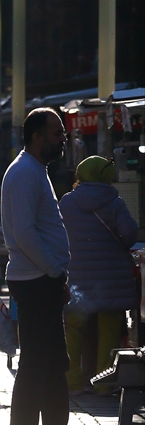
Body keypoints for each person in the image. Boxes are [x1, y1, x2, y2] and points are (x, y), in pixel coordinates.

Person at [1, 108, 81, 425]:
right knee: (36, 362)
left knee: (51, 361)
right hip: (35, 279)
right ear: (37, 137)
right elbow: (24, 233)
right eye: (56, 133)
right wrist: (52, 268)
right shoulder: (24, 173)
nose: (62, 139)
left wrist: (56, 273)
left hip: (43, 279)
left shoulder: (35, 170)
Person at [58, 155, 138, 394]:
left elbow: (57, 234)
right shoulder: (115, 202)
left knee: (73, 328)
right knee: (110, 330)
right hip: (110, 278)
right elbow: (129, 234)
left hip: (76, 277)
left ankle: (72, 382)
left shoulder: (67, 202)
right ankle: (104, 384)